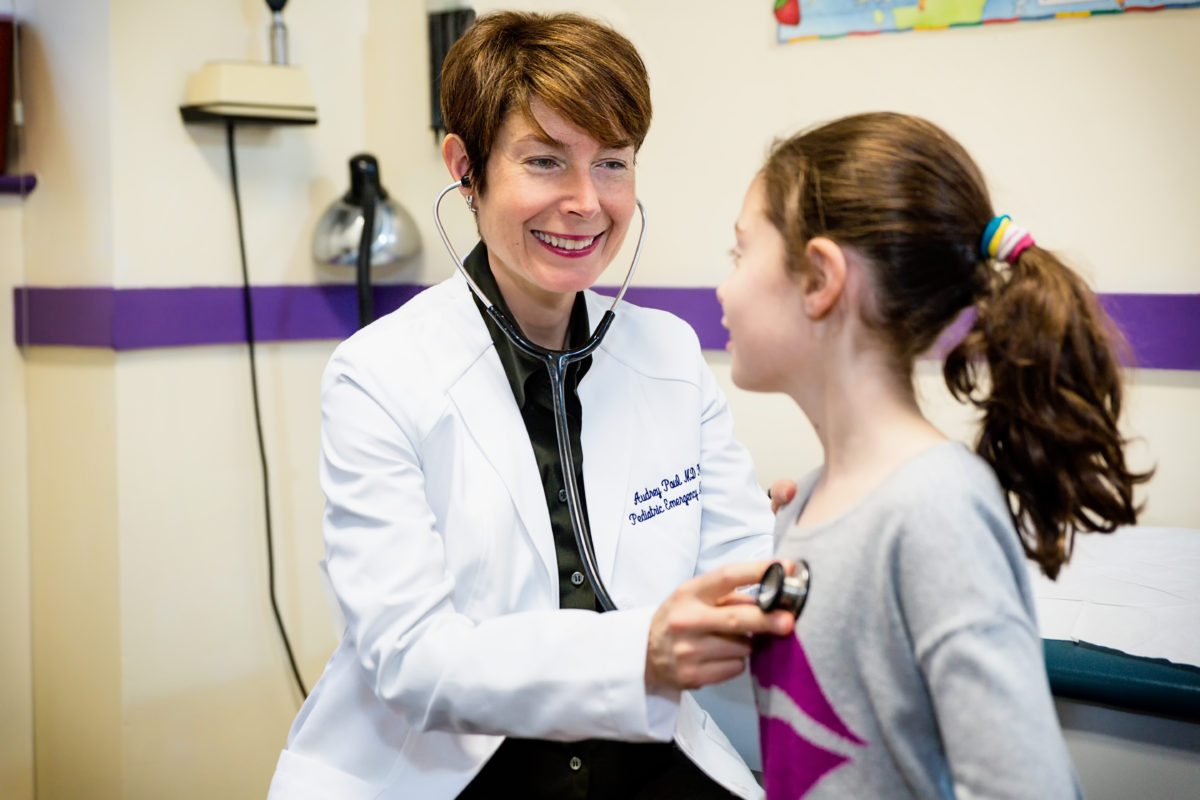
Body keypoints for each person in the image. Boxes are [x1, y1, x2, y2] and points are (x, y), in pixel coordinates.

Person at [267, 12, 792, 800]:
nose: (585, 202)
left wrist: (799, 542)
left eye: (612, 163)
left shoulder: (670, 355)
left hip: (648, 753)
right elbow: (411, 656)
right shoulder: (378, 374)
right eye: (545, 161)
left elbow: (736, 580)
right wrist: (638, 653)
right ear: (465, 168)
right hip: (454, 768)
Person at [717, 111, 1150, 799]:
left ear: (819, 278)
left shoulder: (935, 510)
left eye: (740, 254)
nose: (725, 287)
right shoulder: (806, 501)